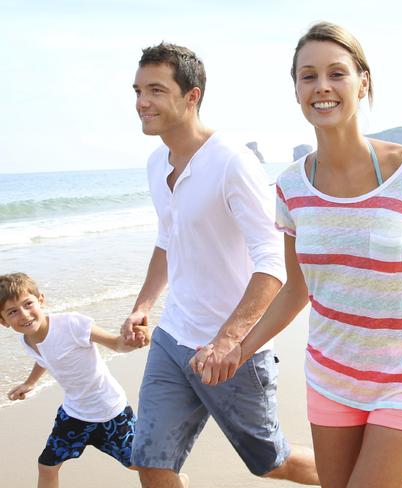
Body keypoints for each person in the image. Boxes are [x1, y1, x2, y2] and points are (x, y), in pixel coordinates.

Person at [191, 22, 402, 488]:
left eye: (337, 73)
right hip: (331, 376)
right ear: (295, 90)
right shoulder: (292, 186)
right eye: (308, 76)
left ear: (363, 81)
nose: (322, 87)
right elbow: (297, 289)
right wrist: (239, 349)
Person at [122, 42, 318, 488]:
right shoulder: (157, 163)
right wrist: (144, 305)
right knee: (150, 461)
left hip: (231, 350)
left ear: (192, 97)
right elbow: (168, 239)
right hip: (172, 338)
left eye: (155, 90)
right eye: (137, 90)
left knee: (271, 462)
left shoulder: (232, 162)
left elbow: (273, 264)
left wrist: (228, 341)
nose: (141, 102)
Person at [1, 272, 149, 488]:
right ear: (3, 321)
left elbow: (116, 344)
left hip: (110, 411)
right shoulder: (27, 339)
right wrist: (30, 383)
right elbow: (44, 357)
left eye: (28, 304)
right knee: (47, 466)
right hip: (74, 414)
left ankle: (178, 481)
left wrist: (134, 340)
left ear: (41, 299)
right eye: (12, 312)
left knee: (140, 465)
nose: (23, 315)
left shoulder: (72, 324)